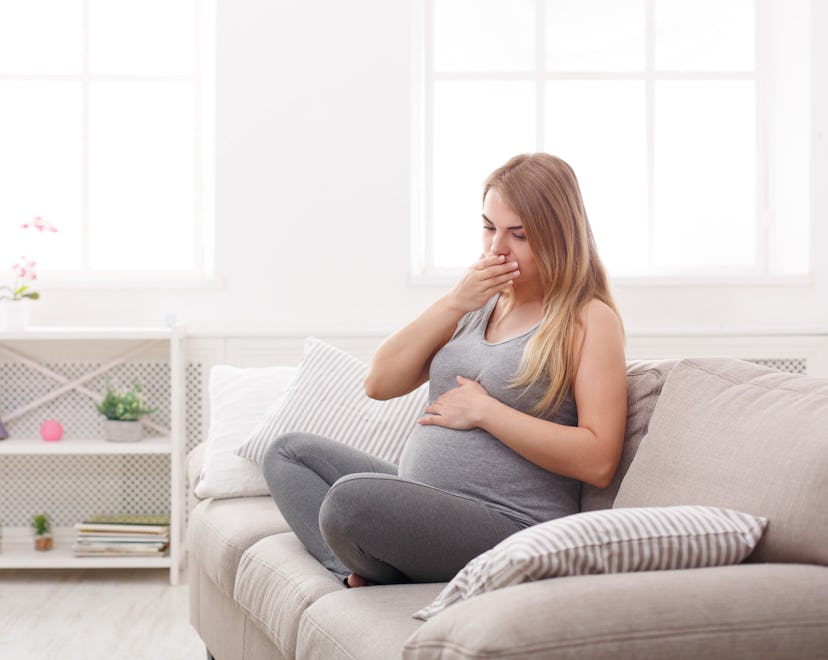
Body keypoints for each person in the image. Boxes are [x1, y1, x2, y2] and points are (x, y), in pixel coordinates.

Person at [262, 152, 627, 588]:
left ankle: (377, 566)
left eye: (519, 235)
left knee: (348, 503)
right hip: (424, 501)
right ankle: (360, 571)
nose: (496, 248)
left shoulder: (588, 318)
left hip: (509, 525)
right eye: (489, 227)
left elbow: (599, 458)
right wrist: (455, 301)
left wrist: (486, 412)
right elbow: (379, 382)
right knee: (287, 453)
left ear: (559, 236)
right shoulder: (479, 303)